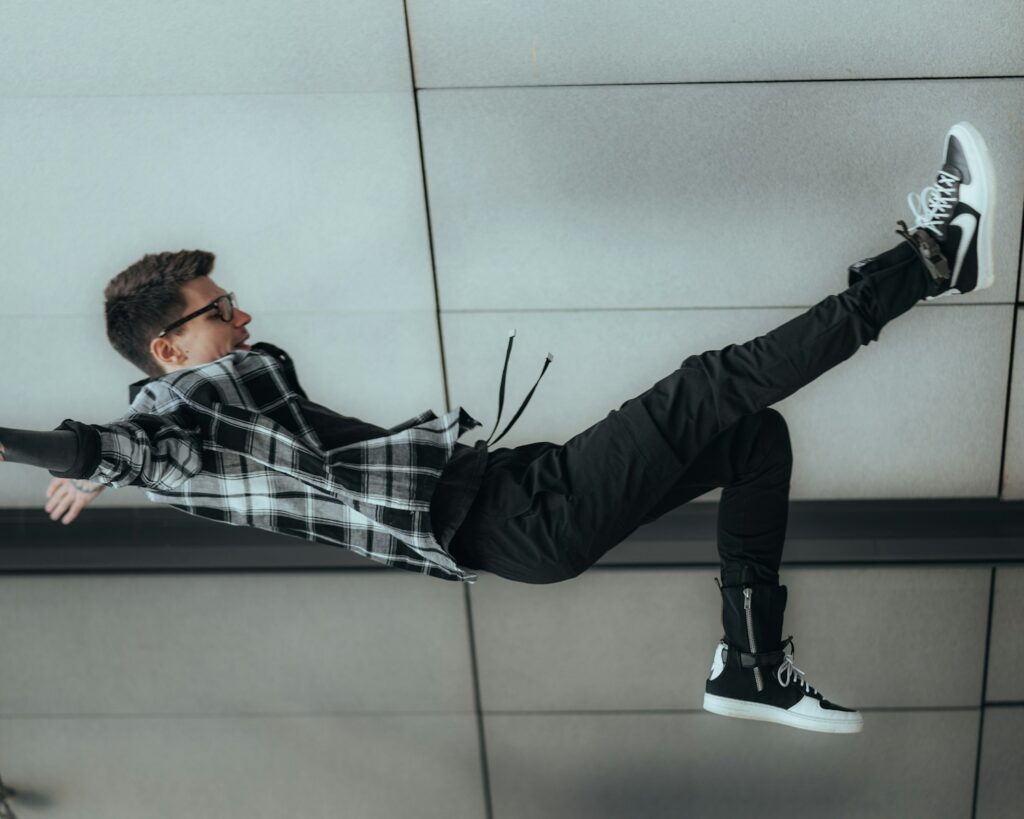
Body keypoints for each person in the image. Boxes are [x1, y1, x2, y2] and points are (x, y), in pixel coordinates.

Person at [0, 121, 995, 735]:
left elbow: (130, 448)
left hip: (514, 498)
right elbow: (122, 440)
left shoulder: (190, 420)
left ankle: (750, 664)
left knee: (751, 439)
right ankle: (930, 262)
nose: (243, 316)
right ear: (169, 347)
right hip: (513, 516)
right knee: (710, 386)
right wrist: (76, 453)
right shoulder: (184, 407)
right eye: (219, 311)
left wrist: (106, 463)